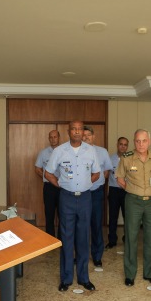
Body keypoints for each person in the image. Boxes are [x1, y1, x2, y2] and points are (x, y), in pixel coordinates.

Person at [45, 120, 100, 292]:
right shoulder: (60, 151)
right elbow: (48, 173)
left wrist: (84, 184)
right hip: (66, 198)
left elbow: (97, 173)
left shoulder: (90, 150)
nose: (77, 132)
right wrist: (60, 185)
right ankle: (66, 278)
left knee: (83, 237)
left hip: (85, 199)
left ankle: (84, 278)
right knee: (66, 238)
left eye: (79, 129)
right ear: (68, 132)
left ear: (83, 132)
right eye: (73, 129)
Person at [116, 129, 151, 287]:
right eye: (138, 141)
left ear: (149, 142)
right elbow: (120, 178)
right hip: (133, 201)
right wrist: (134, 190)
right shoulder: (126, 158)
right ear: (134, 141)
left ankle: (150, 273)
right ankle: (130, 274)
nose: (141, 144)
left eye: (144, 141)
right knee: (131, 237)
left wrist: (148, 190)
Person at [83, 125, 113, 267]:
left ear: (93, 137)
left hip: (96, 192)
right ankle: (81, 255)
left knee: (96, 225)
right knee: (81, 226)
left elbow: (107, 170)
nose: (86, 137)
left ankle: (96, 255)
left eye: (89, 135)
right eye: (84, 135)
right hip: (81, 194)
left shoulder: (102, 151)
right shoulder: (75, 152)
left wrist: (100, 181)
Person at [35, 129, 61, 237]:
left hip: (62, 187)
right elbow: (37, 169)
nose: (53, 139)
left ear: (59, 138)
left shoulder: (64, 151)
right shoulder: (43, 153)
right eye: (51, 137)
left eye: (55, 137)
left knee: (63, 215)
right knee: (49, 214)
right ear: (48, 139)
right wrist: (47, 177)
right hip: (49, 188)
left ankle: (61, 238)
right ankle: (50, 238)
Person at [106, 137, 129, 249]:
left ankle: (127, 238)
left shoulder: (131, 159)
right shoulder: (110, 159)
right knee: (113, 217)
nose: (123, 146)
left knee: (128, 217)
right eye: (121, 144)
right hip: (114, 190)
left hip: (127, 191)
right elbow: (106, 175)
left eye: (125, 145)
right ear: (117, 145)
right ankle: (112, 240)